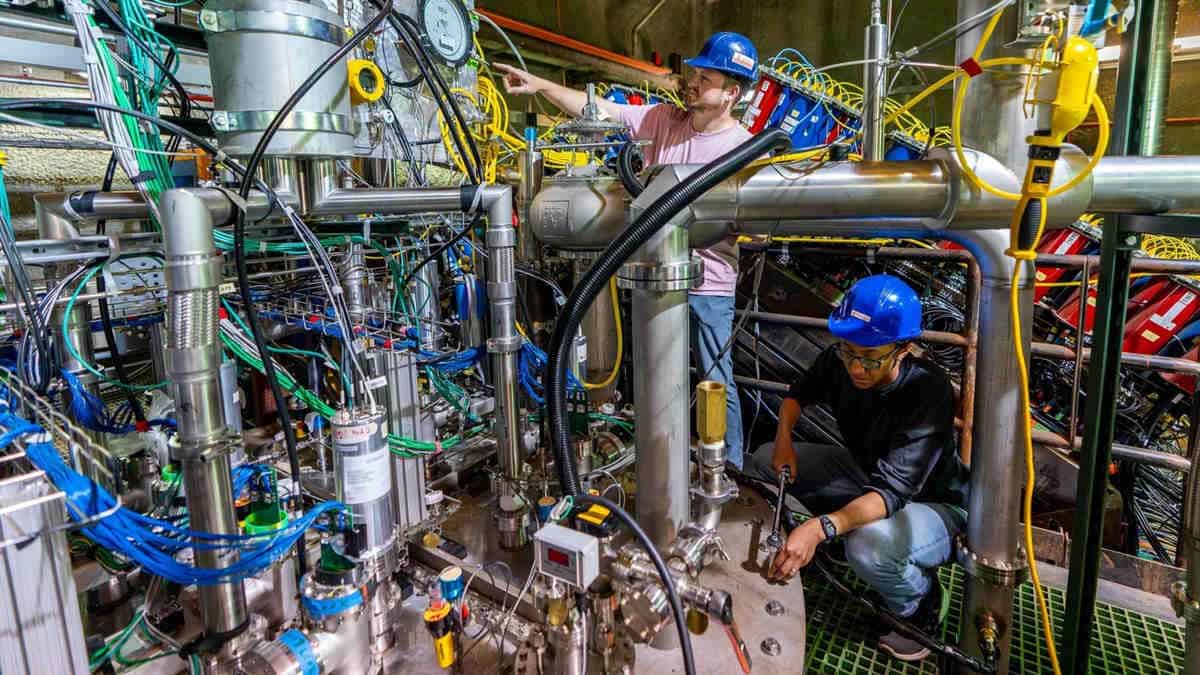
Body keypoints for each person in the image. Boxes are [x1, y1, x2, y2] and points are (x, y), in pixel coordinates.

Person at [495, 32, 758, 469]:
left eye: (705, 77)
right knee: (650, 375)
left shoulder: (743, 149)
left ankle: (727, 469)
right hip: (649, 275)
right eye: (694, 73)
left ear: (731, 93)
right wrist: (542, 86)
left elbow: (752, 221)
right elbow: (602, 111)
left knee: (714, 378)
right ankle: (653, 460)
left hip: (706, 284)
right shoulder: (663, 120)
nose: (693, 82)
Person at [748, 274, 970, 662]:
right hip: (867, 473)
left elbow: (891, 493)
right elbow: (797, 396)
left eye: (871, 358)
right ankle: (796, 547)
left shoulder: (927, 391)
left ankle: (919, 605)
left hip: (935, 505)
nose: (856, 367)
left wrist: (820, 527)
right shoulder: (841, 359)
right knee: (765, 459)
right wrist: (784, 440)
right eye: (849, 352)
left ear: (904, 350)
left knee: (868, 546)